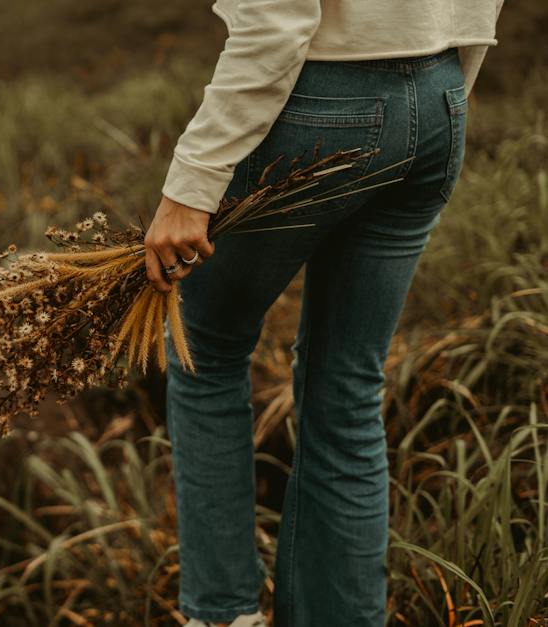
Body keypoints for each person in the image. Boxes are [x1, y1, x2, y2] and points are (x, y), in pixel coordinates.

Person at [142, 1, 505, 626]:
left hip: (322, 94)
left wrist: (191, 184)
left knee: (205, 346)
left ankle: (225, 615)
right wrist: (438, 86)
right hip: (441, 95)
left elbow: (275, 18)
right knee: (350, 385)